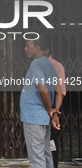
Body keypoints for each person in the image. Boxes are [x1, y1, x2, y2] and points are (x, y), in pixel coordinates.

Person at [21, 37, 62, 168]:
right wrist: (54, 113)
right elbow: (59, 92)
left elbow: (43, 90)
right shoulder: (50, 65)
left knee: (37, 157)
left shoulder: (36, 64)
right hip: (43, 118)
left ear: (37, 47)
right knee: (46, 154)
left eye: (28, 46)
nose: (25, 49)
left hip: (34, 118)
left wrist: (50, 109)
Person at [47, 49, 66, 168]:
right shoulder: (34, 65)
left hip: (51, 111)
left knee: (51, 141)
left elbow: (61, 91)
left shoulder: (57, 66)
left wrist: (55, 114)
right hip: (37, 112)